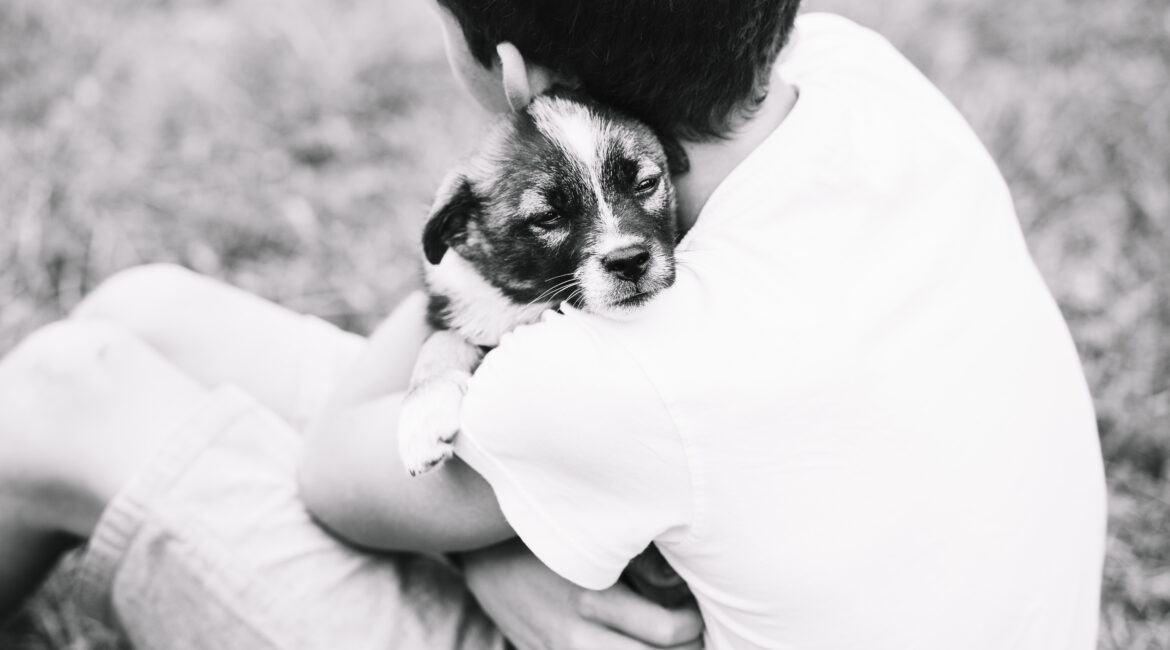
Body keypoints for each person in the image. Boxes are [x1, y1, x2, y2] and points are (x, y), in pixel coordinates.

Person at [0, 1, 1106, 649]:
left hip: (616, 542)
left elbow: (333, 470)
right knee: (143, 311)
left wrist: (472, 236)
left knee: (66, 387)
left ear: (514, 73)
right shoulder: (856, 69)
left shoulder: (622, 364)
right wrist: (492, 549)